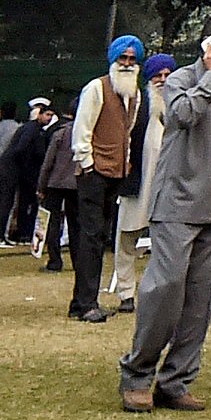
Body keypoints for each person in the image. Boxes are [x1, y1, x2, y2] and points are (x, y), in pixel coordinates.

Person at [117, 19, 211, 412]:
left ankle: (175, 381)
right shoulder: (179, 81)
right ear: (208, 44)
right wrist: (209, 75)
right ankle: (137, 374)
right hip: (176, 204)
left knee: (200, 300)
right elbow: (182, 116)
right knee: (165, 290)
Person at [70, 37, 144, 322]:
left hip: (116, 173)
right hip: (94, 173)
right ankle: (87, 304)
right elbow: (82, 130)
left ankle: (81, 302)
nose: (127, 63)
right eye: (122, 58)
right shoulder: (96, 88)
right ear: (113, 60)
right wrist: (87, 164)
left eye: (131, 59)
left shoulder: (133, 94)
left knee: (98, 237)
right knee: (91, 237)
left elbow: (127, 133)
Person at [113, 53, 175, 311]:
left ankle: (164, 295)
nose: (162, 80)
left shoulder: (181, 106)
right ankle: (126, 294)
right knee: (125, 241)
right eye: (157, 76)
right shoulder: (138, 105)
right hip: (137, 184)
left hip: (171, 190)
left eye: (166, 75)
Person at [0, 97, 58, 244]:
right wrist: (24, 167)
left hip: (10, 167)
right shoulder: (32, 129)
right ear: (39, 114)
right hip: (11, 169)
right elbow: (20, 149)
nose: (49, 118)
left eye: (51, 115)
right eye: (47, 114)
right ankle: (1, 236)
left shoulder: (30, 128)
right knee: (7, 202)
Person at [36, 106, 78, 273]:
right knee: (75, 224)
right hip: (76, 183)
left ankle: (55, 261)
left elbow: (48, 162)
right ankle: (78, 262)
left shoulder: (60, 133)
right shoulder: (88, 132)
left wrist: (41, 186)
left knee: (53, 221)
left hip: (55, 182)